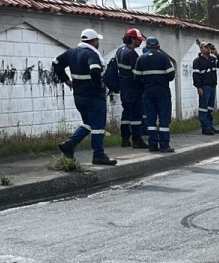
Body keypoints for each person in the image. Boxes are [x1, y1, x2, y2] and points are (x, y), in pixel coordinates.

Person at [52, 29, 116, 166]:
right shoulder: (91, 53)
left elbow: (56, 63)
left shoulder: (71, 52)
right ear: (94, 41)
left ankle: (69, 144)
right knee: (98, 126)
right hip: (93, 96)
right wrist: (98, 85)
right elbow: (94, 69)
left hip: (79, 96)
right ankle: (98, 155)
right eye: (97, 40)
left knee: (88, 124)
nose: (98, 42)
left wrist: (67, 80)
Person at [134, 36, 176, 152]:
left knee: (150, 120)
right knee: (163, 119)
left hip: (147, 93)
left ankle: (152, 145)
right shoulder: (164, 58)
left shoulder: (141, 59)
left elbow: (137, 78)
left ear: (147, 47)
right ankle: (164, 145)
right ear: (158, 47)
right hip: (162, 93)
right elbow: (171, 75)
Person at [114, 28, 147, 148]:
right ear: (133, 39)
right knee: (135, 114)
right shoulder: (132, 54)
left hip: (123, 86)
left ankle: (125, 138)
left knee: (126, 113)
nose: (140, 42)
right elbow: (137, 74)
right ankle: (137, 139)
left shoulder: (120, 50)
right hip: (133, 88)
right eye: (138, 40)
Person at [192, 42, 219, 135]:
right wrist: (199, 87)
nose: (208, 49)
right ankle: (205, 127)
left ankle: (210, 125)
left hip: (212, 86)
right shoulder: (197, 61)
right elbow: (196, 75)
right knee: (203, 107)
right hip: (204, 86)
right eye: (206, 47)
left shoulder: (213, 59)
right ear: (201, 49)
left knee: (210, 108)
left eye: (209, 47)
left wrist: (216, 53)